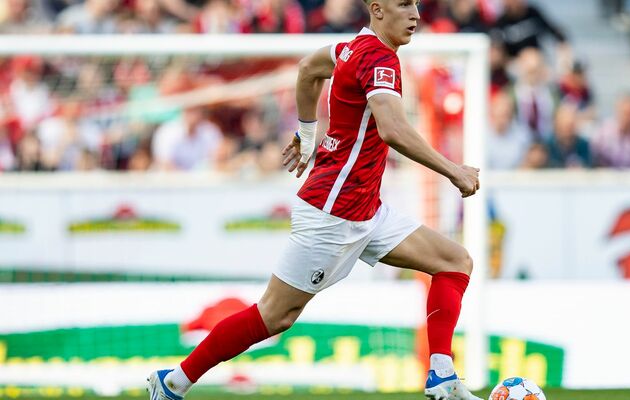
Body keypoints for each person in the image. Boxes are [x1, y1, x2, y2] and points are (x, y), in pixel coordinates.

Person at [147, 1, 481, 400]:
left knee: (453, 261)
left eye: (415, 4)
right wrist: (453, 170)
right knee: (274, 315)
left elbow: (308, 69)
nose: (415, 14)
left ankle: (442, 377)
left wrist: (307, 134)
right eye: (403, 5)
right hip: (332, 212)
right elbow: (392, 128)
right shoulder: (378, 61)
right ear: (377, 9)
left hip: (366, 208)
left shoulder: (351, 48)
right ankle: (172, 383)